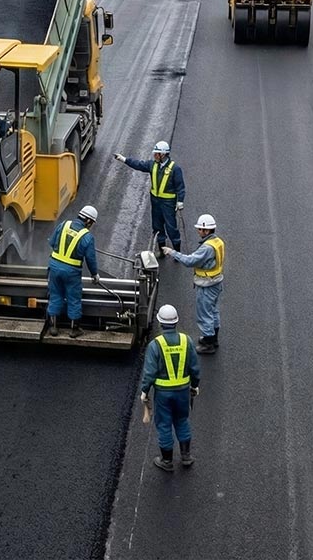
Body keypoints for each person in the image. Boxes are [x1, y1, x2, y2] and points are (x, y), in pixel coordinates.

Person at [140, 304, 201, 471]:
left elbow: (150, 372)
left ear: (160, 323)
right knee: (182, 421)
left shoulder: (155, 345)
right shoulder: (186, 341)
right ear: (176, 322)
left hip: (163, 395)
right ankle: (186, 456)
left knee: (164, 424)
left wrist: (144, 391)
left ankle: (166, 461)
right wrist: (195, 386)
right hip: (183, 392)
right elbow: (195, 368)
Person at [162, 214, 225, 354]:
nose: (198, 231)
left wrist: (172, 252)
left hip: (206, 285)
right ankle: (213, 338)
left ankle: (208, 344)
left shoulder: (207, 248)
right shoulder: (218, 242)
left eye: (200, 229)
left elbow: (190, 261)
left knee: (204, 314)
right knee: (213, 311)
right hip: (216, 282)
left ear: (206, 230)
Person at [114, 141, 185, 252]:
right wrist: (124, 159)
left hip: (168, 203)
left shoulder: (175, 169)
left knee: (171, 227)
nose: (154, 155)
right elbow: (139, 164)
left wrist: (180, 201)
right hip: (156, 202)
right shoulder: (153, 165)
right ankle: (162, 250)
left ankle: (177, 252)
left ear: (163, 154)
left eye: (156, 153)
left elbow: (180, 186)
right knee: (157, 227)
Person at [46, 204, 100, 339]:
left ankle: (53, 327)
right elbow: (90, 259)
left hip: (54, 267)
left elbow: (52, 243)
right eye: (92, 223)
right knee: (73, 298)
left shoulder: (64, 225)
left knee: (55, 294)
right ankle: (74, 329)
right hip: (71, 272)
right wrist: (95, 275)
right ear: (88, 221)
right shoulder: (87, 237)